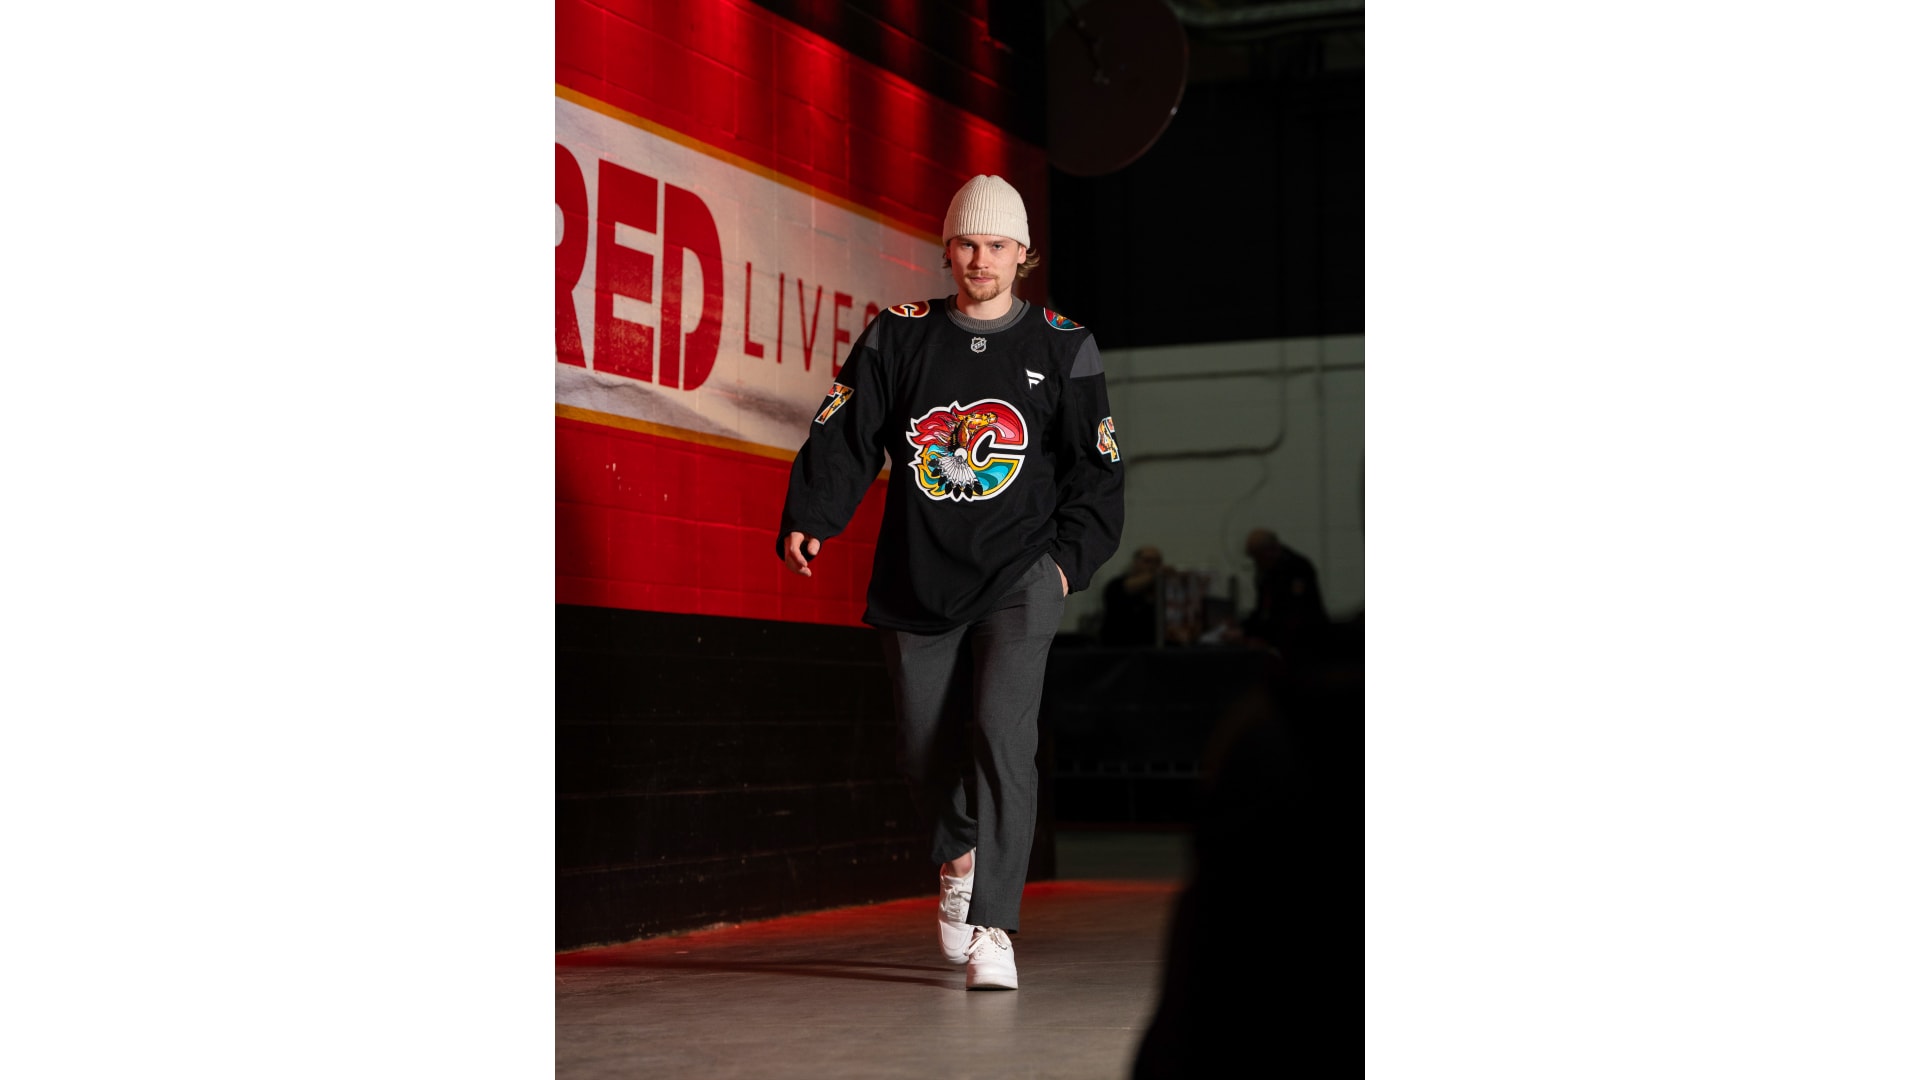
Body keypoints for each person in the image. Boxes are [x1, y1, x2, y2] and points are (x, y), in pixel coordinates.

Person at [777, 174, 1125, 991]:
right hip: (919, 570)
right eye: (968, 244)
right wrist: (813, 513)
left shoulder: (1064, 344)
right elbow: (848, 429)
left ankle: (994, 928)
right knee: (920, 744)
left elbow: (1097, 468)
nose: (981, 259)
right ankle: (958, 853)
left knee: (1004, 738)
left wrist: (1066, 563)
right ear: (947, 250)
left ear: (1022, 254)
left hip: (1021, 574)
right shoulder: (899, 334)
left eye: (997, 245)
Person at [1239, 527, 1329, 653]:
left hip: (1302, 641)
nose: (1256, 563)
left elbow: (1294, 612)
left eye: (1258, 557)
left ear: (1269, 552)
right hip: (1283, 637)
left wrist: (1256, 634)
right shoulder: (1267, 571)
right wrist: (1244, 628)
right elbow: (1263, 609)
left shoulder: (1297, 568)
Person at [1100, 546, 1166, 646]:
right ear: (1136, 562)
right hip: (1118, 647)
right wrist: (1158, 575)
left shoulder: (1162, 590)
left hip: (1151, 647)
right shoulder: (1116, 585)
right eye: (1147, 561)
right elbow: (1129, 587)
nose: (1153, 566)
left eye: (1157, 562)